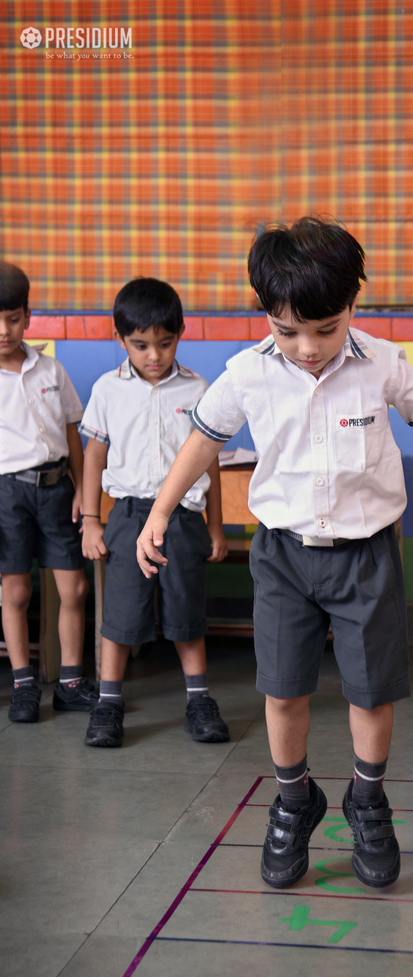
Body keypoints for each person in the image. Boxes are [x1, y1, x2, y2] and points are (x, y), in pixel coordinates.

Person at [136, 218, 413, 887]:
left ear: (352, 308)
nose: (308, 348)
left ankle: (367, 801)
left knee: (370, 693)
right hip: (283, 556)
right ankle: (293, 801)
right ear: (266, 317)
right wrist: (161, 513)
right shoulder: (245, 375)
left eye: (326, 328)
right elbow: (201, 443)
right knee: (282, 691)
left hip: (366, 555)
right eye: (289, 332)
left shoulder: (382, 362)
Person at [80, 277, 230, 748]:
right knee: (121, 615)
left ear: (180, 334)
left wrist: (215, 525)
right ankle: (108, 703)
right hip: (127, 516)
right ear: (120, 337)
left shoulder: (197, 387)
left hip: (183, 518)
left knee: (186, 611)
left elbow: (210, 461)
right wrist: (90, 520)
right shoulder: (107, 389)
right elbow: (93, 457)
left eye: (165, 344)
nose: (154, 356)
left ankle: (199, 700)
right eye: (141, 345)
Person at [0, 261, 93, 723]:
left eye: (13, 319)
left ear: (28, 315)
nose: (4, 330)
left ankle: (71, 684)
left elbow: (72, 432)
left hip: (57, 489)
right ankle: (23, 685)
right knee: (16, 593)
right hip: (6, 497)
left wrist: (81, 490)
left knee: (74, 587)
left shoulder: (50, 369)